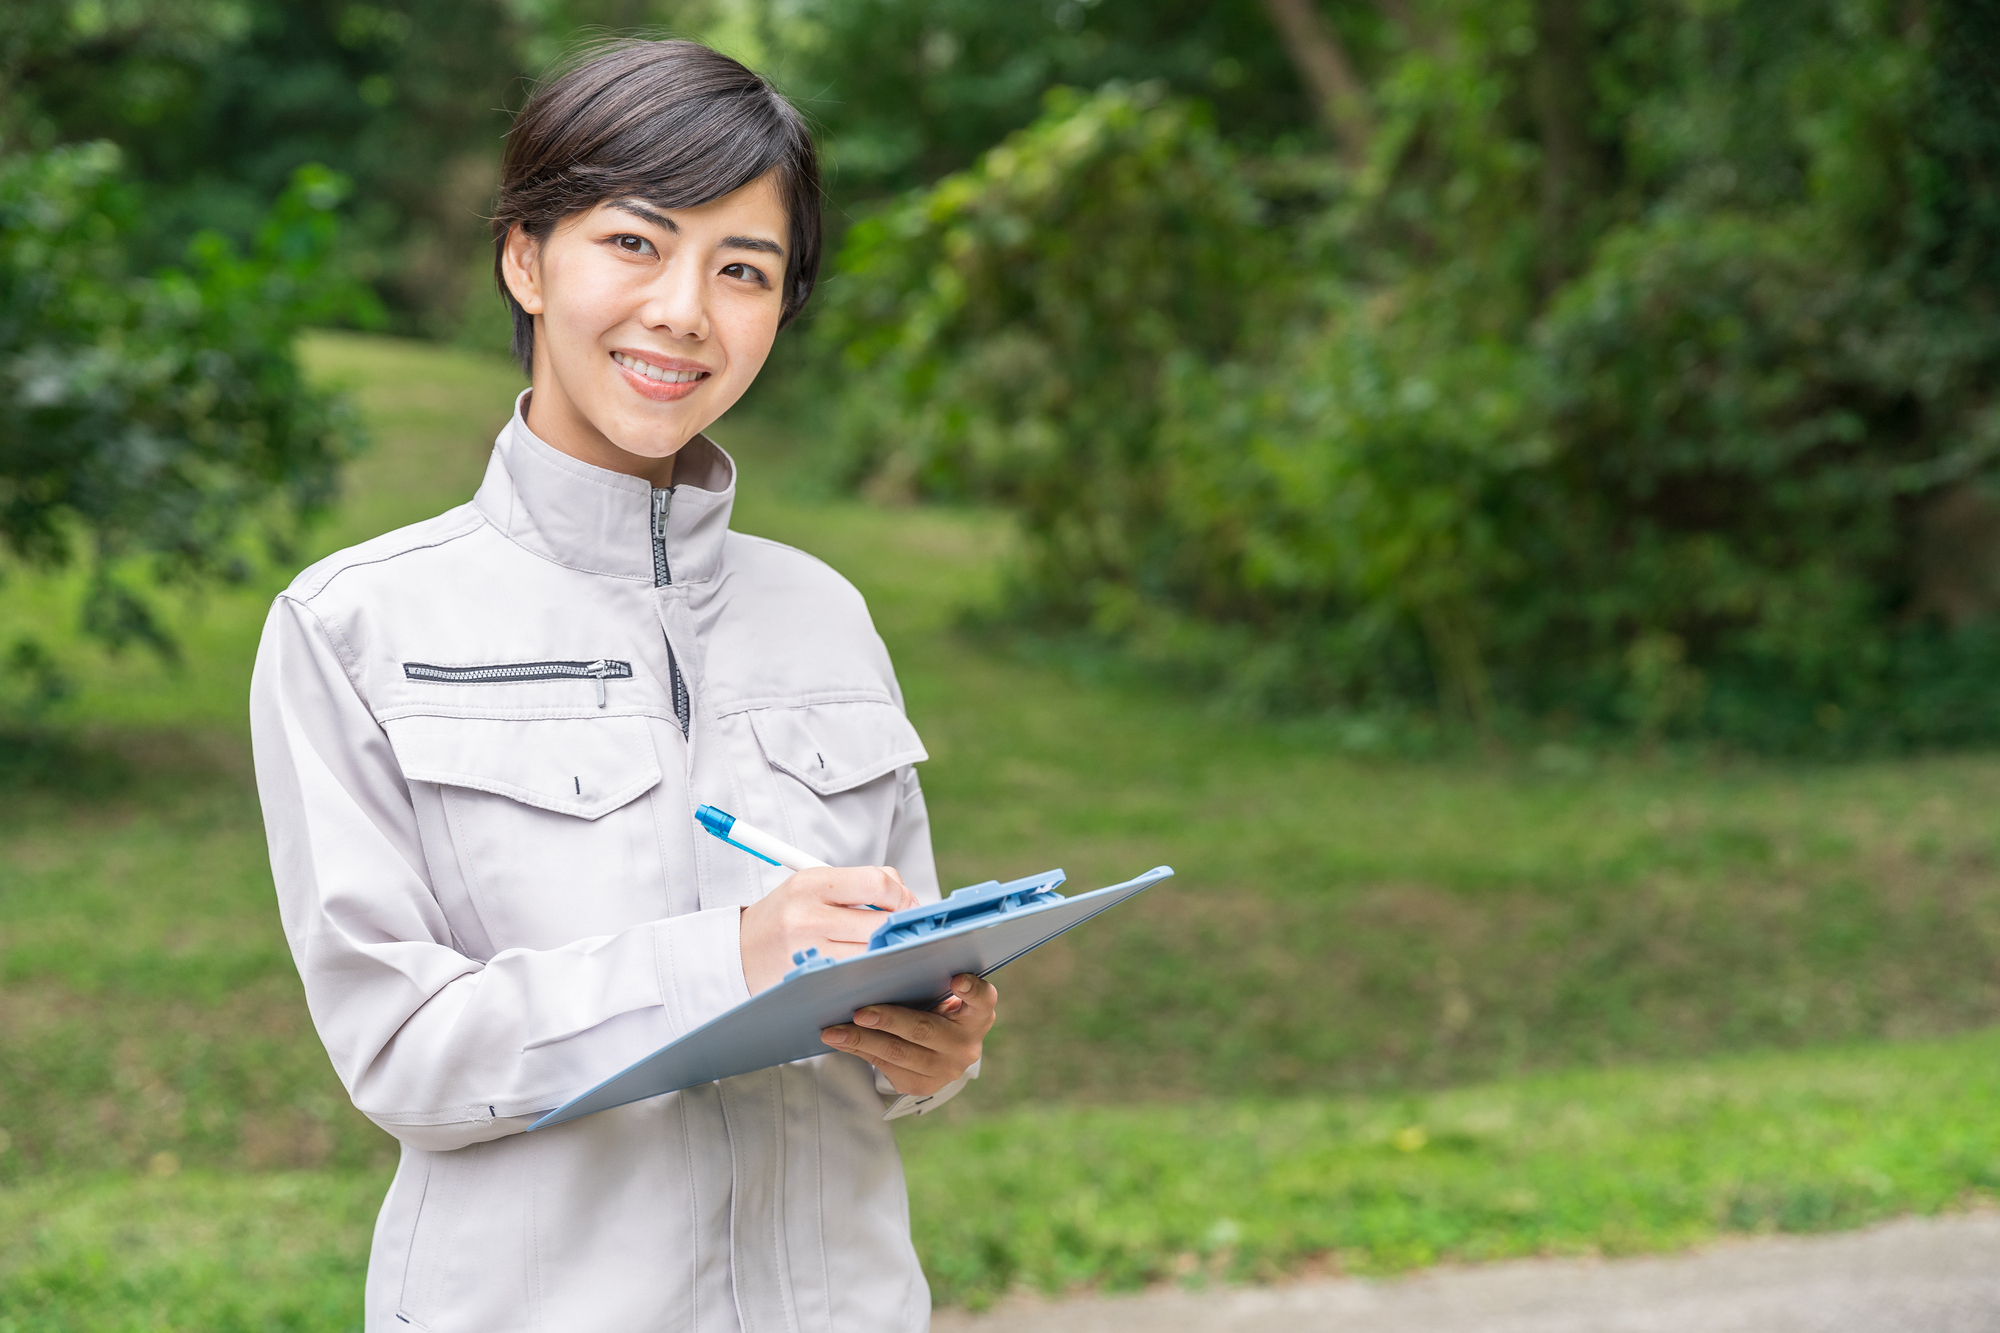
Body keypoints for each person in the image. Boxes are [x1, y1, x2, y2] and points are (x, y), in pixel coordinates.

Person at [249, 39, 997, 1332]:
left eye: (743, 269)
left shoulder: (825, 613)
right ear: (525, 259)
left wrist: (938, 1044)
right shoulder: (355, 626)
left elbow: (897, 965)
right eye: (635, 243)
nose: (684, 311)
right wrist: (728, 959)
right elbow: (403, 1053)